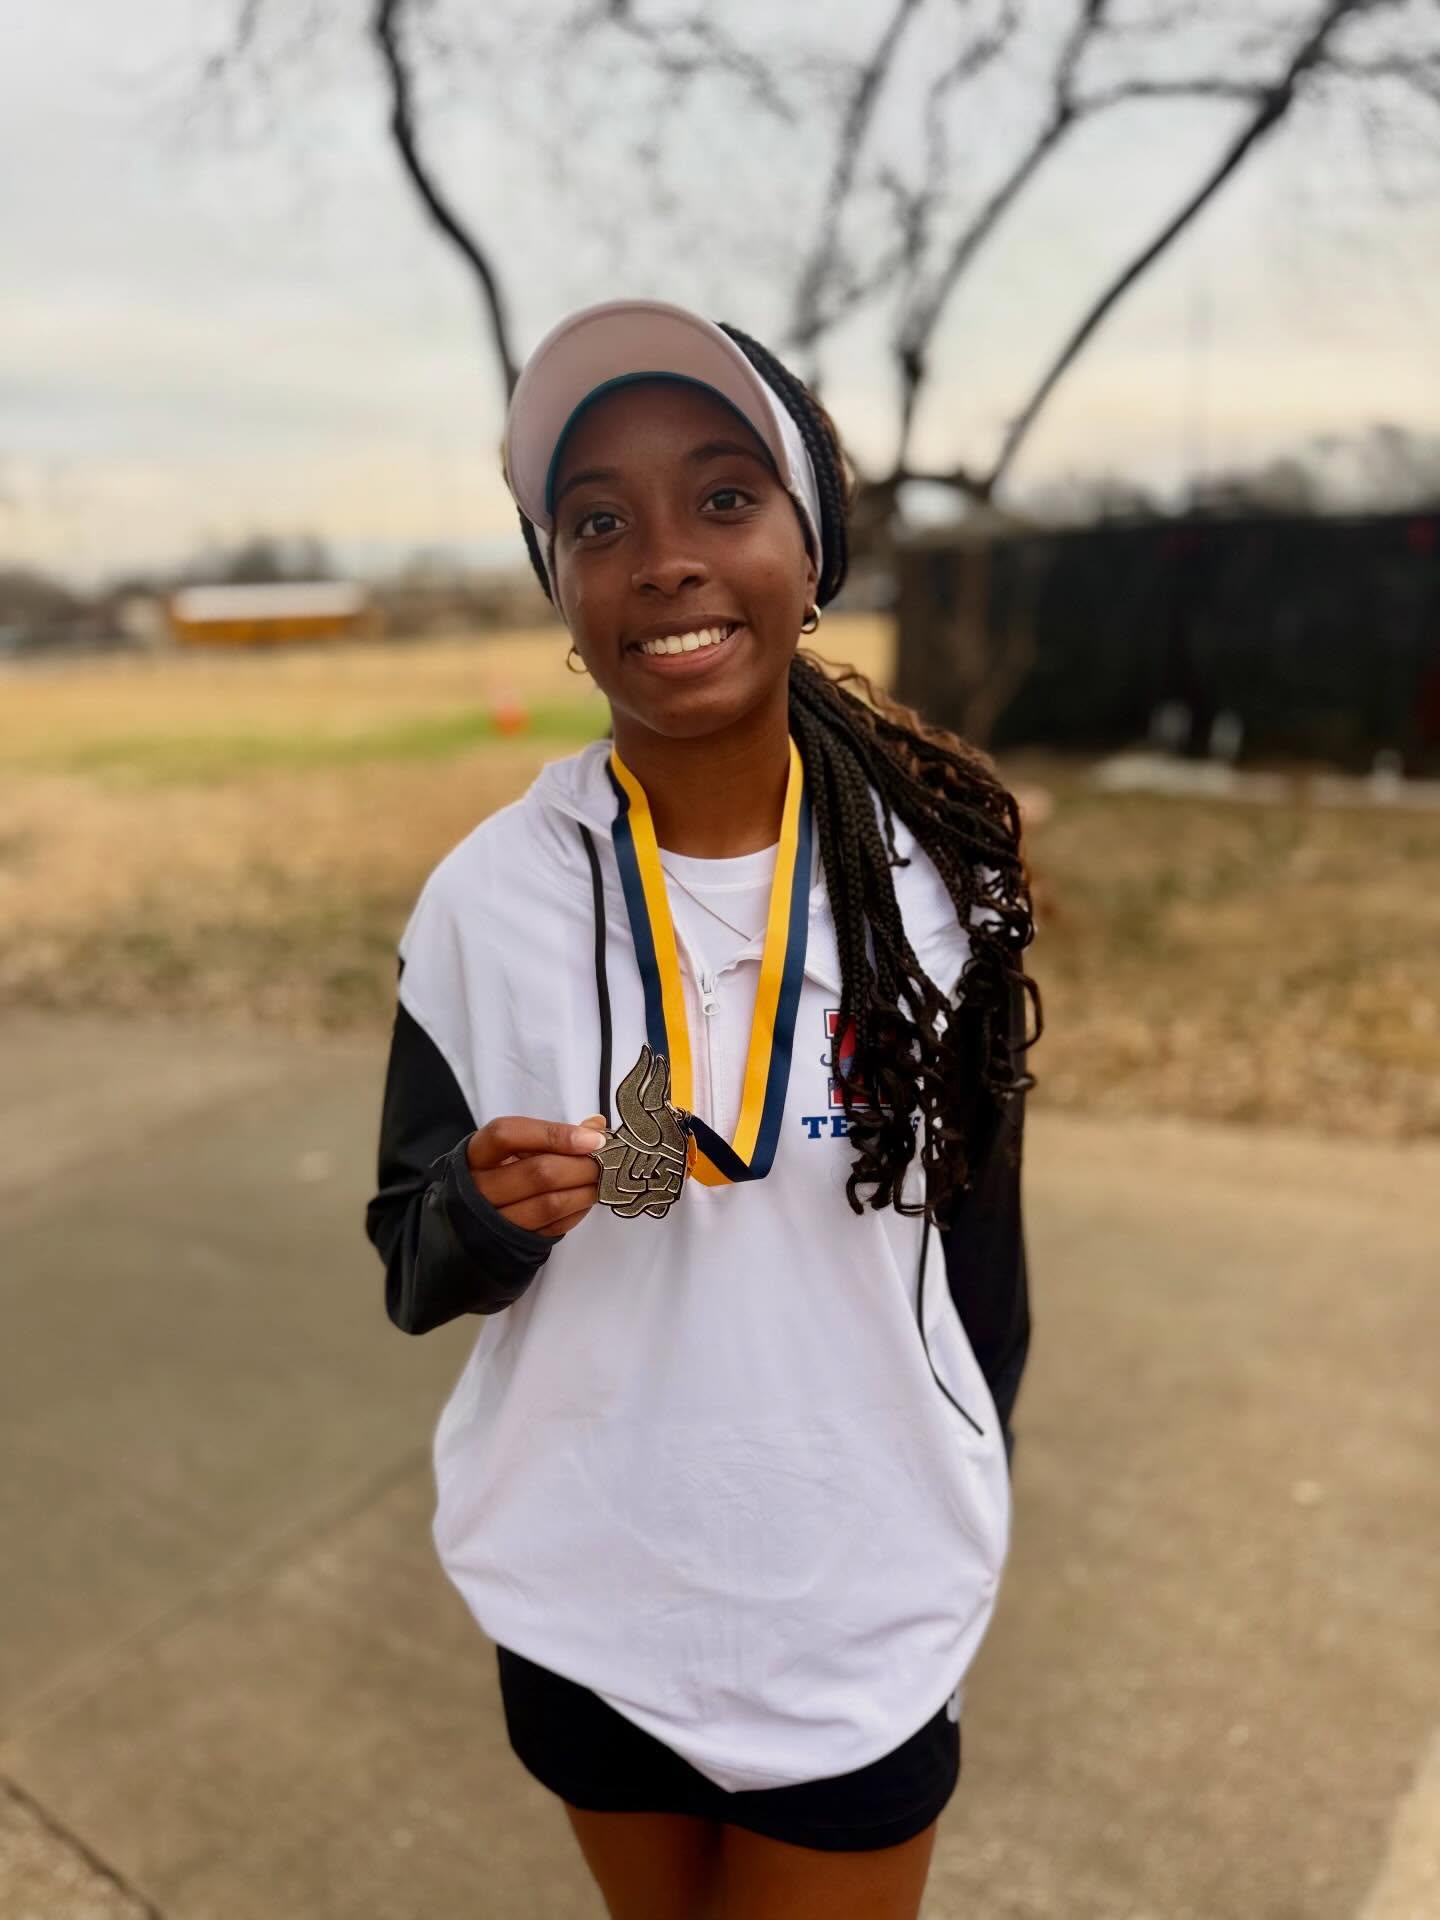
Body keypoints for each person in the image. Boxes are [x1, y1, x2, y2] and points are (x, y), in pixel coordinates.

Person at [364, 298, 1039, 1920]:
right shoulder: (484, 903)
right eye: (599, 522)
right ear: (560, 592)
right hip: (587, 1592)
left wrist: (959, 1487)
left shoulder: (939, 887)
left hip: (858, 1604)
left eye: (725, 497)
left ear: (815, 551)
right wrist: (481, 1214)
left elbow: (986, 1266)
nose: (664, 558)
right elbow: (408, 1257)